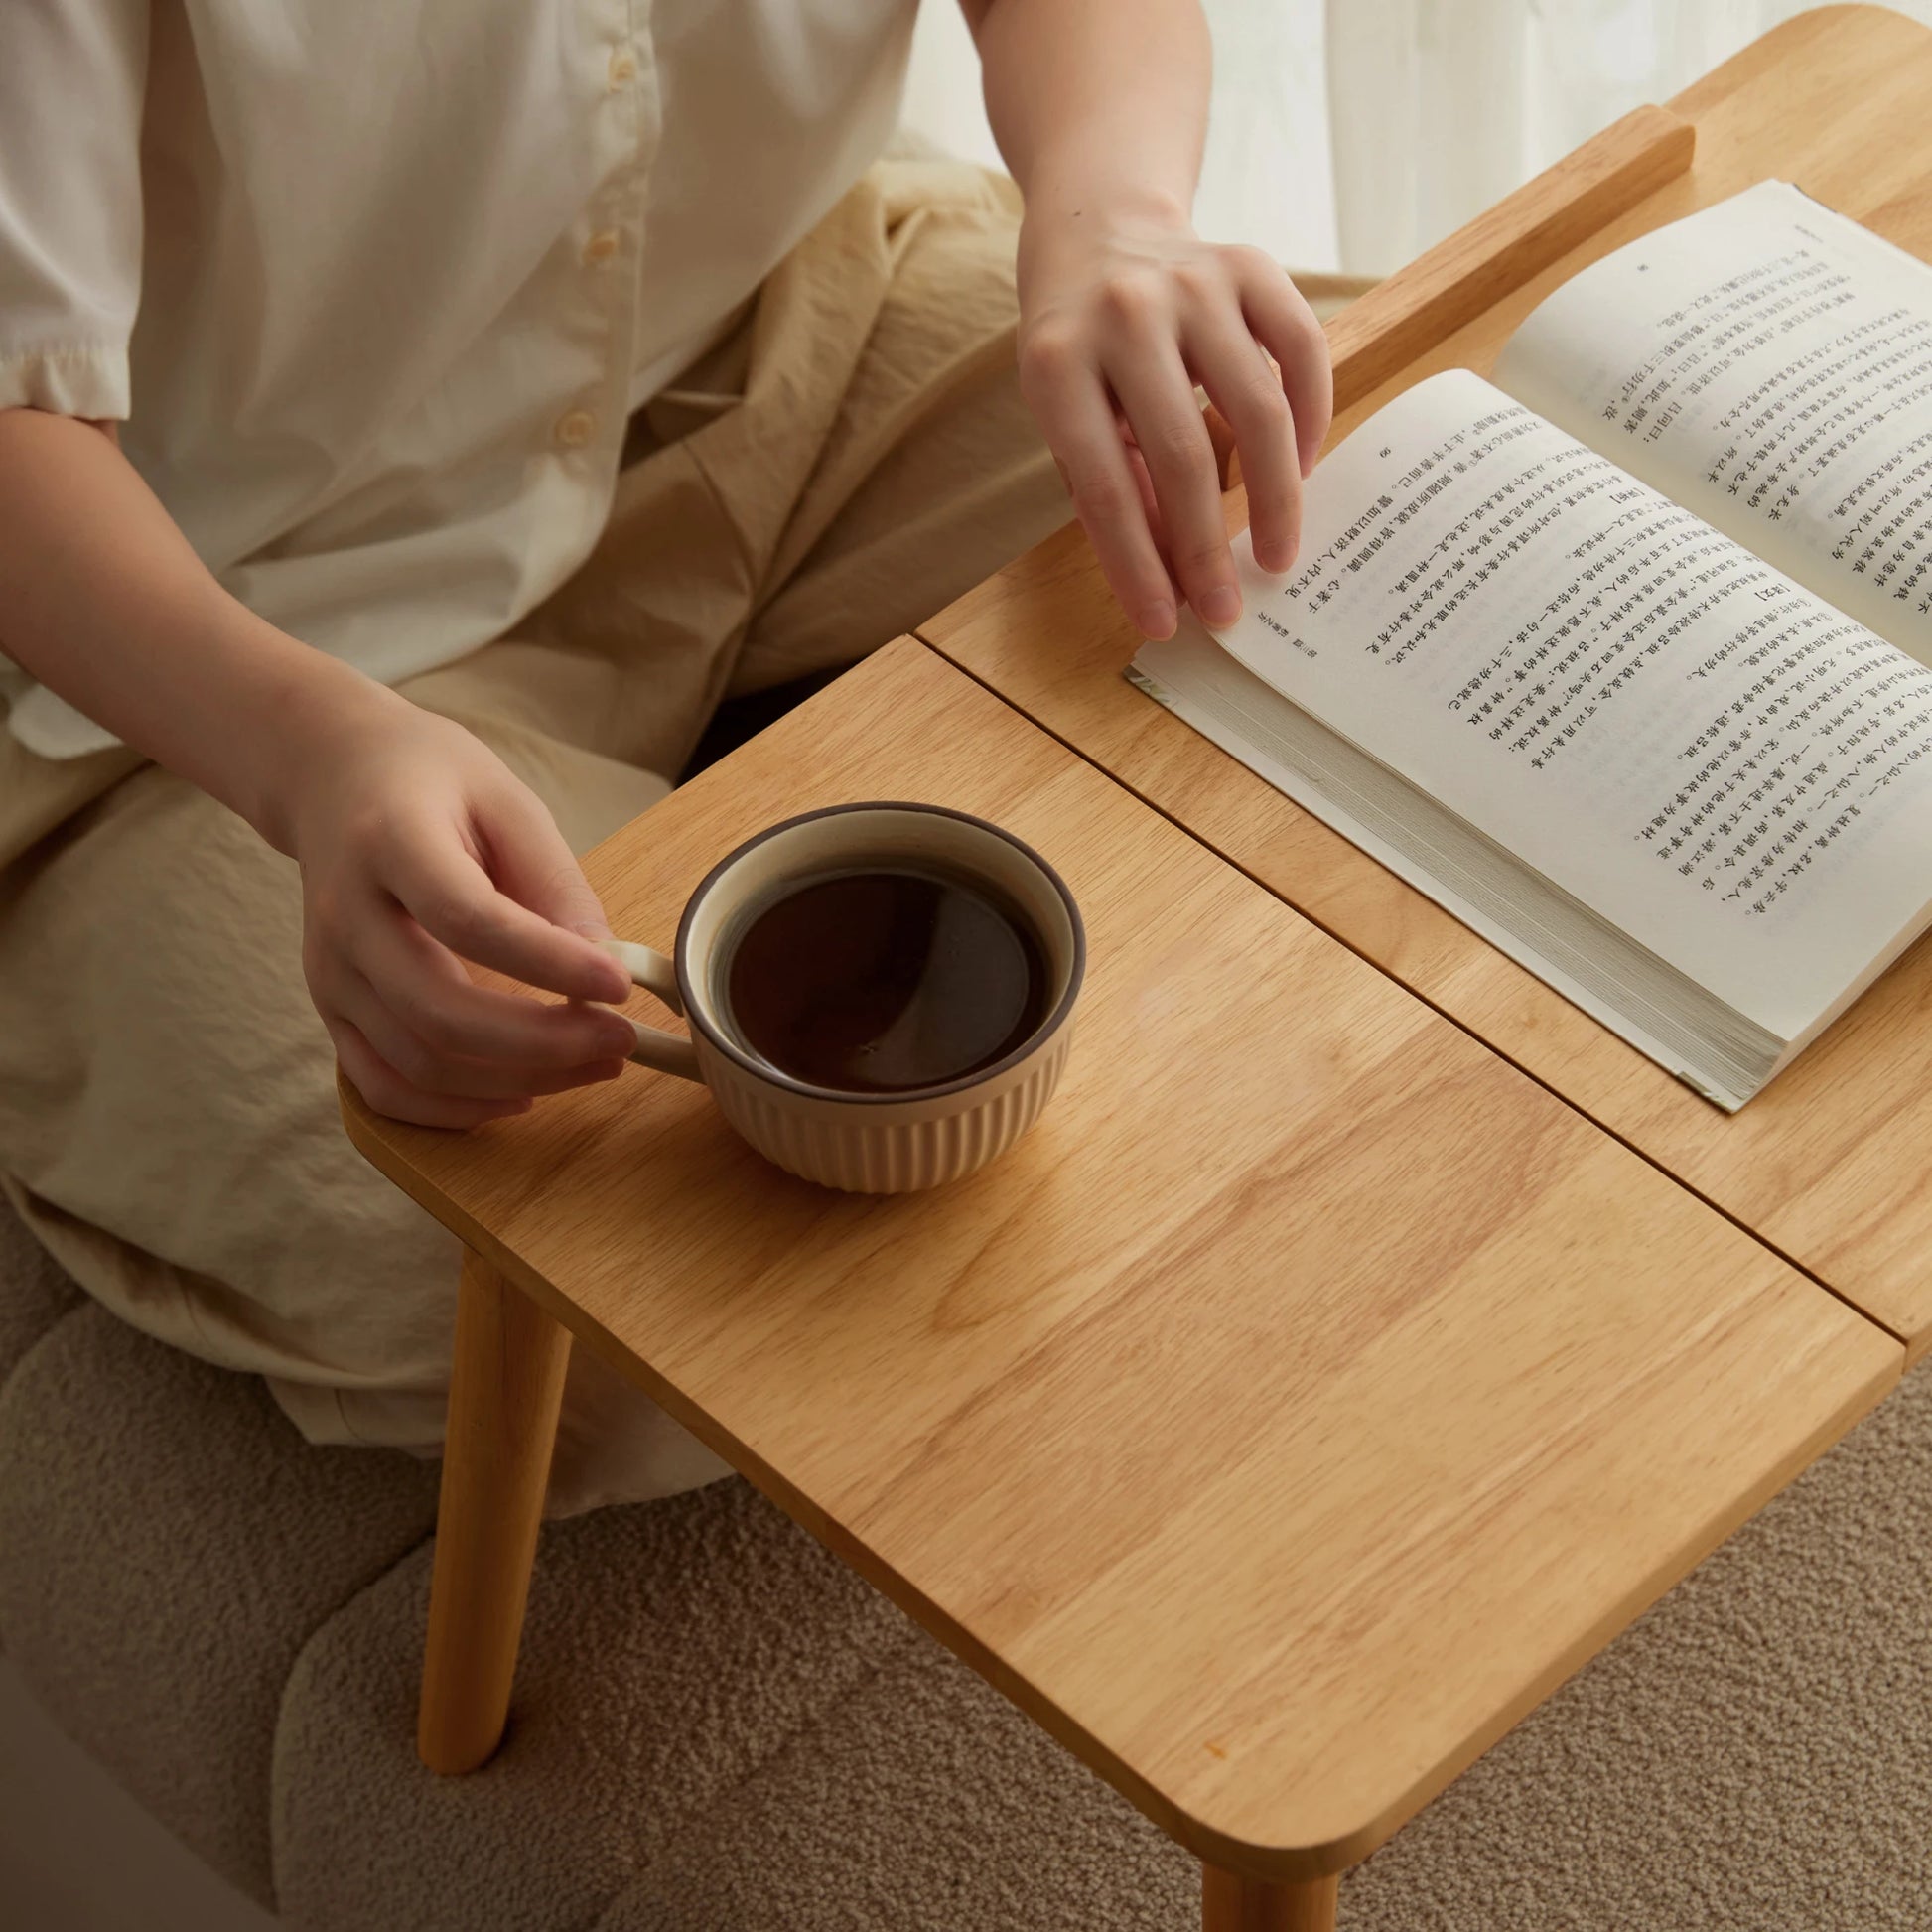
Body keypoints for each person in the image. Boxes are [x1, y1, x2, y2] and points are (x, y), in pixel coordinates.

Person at [0, 0, 1332, 1512]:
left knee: (1375, 511)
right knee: (643, 1322)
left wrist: (1113, 221)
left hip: (780, 323)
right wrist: (305, 754)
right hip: (219, 634)